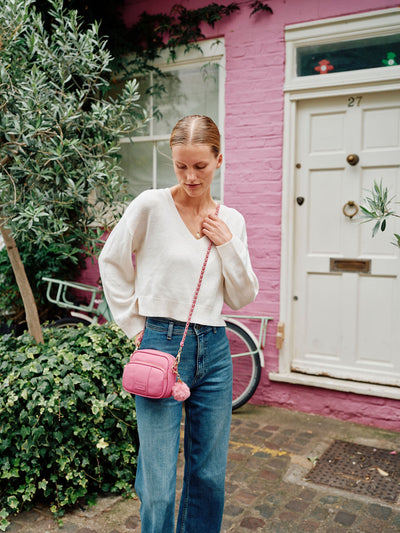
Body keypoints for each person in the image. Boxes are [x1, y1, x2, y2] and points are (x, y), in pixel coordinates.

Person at [99, 115, 258, 533]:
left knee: (208, 476)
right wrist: (134, 326)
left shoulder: (232, 221)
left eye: (200, 166)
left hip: (215, 350)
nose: (190, 176)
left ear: (218, 160)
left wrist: (226, 244)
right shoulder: (150, 205)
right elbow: (111, 261)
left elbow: (242, 296)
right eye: (181, 165)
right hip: (159, 344)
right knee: (158, 484)